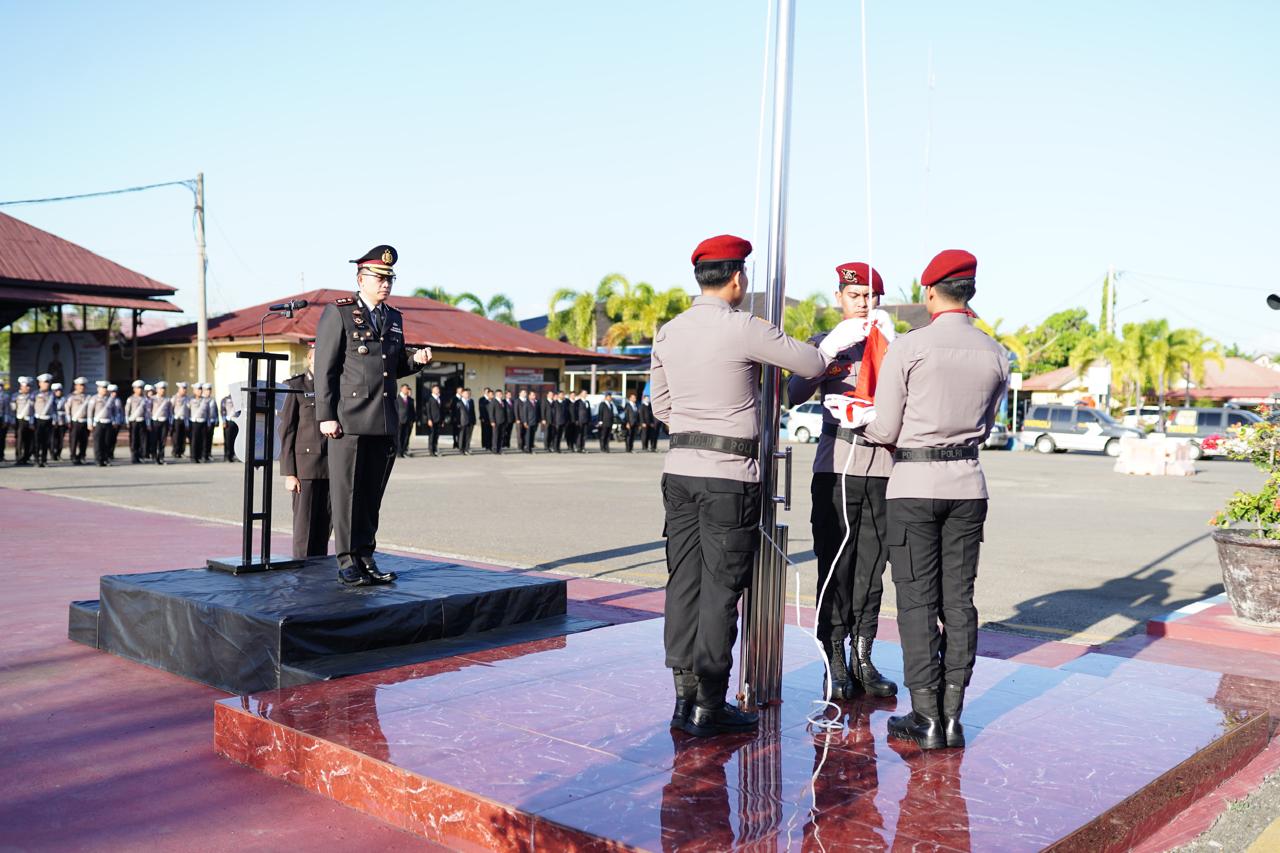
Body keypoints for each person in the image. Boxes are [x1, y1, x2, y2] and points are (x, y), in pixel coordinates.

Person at [649, 234, 863, 738]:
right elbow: (811, 365)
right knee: (722, 587)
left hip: (679, 470)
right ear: (738, 278)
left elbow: (661, 408)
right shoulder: (744, 327)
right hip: (729, 475)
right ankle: (708, 703)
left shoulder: (669, 332)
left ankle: (683, 697)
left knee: (683, 580)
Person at [853, 249, 1009, 750]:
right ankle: (953, 716)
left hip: (914, 485)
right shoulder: (996, 352)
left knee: (917, 600)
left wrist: (858, 419)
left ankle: (925, 716)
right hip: (967, 482)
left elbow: (886, 427)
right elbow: (986, 424)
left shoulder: (911, 347)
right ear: (971, 292)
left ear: (929, 293)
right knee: (959, 601)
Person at [788, 262, 899, 702]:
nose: (863, 303)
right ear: (840, 297)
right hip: (835, 466)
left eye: (870, 296)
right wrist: (828, 352)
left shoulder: (894, 344)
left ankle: (863, 655)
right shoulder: (824, 345)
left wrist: (890, 346)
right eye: (855, 296)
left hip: (884, 469)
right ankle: (833, 655)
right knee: (836, 565)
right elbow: (792, 394)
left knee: (872, 568)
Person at [314, 243, 432, 587]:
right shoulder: (339, 313)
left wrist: (415, 361)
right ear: (360, 277)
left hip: (383, 420)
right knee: (348, 493)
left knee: (371, 493)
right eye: (379, 278)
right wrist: (326, 414)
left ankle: (366, 556)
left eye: (389, 279)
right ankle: (347, 560)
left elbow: (391, 367)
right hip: (348, 420)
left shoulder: (393, 317)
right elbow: (326, 369)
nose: (385, 284)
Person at [279, 343, 332, 559]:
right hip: (305, 467)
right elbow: (287, 430)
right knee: (304, 524)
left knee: (325, 522)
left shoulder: (334, 385)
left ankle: (319, 566)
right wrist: (289, 472)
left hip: (331, 465)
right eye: (317, 357)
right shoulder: (296, 386)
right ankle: (301, 567)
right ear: (309, 359)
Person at [87, 380, 116, 466]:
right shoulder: (94, 398)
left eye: (106, 388)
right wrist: (90, 423)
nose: (105, 390)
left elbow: (113, 412)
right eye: (103, 388)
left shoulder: (110, 399)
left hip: (108, 423)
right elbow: (90, 412)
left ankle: (106, 459)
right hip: (98, 423)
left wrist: (114, 421)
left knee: (107, 442)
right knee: (98, 442)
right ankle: (98, 460)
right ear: (98, 389)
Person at [32, 374, 58, 467]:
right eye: (45, 382)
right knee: (37, 441)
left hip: (48, 420)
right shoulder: (35, 394)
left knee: (46, 441)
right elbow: (31, 408)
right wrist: (31, 421)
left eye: (48, 382)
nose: (47, 384)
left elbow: (55, 408)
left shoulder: (52, 395)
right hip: (38, 420)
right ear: (40, 383)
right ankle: (36, 460)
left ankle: (44, 460)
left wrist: (55, 420)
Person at [66, 378, 91, 465]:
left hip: (85, 422)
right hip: (75, 421)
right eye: (80, 385)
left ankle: (82, 456)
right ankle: (73, 456)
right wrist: (68, 421)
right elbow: (67, 409)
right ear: (76, 386)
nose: (82, 387)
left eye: (83, 385)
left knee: (84, 440)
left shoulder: (88, 397)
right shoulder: (71, 397)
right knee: (74, 440)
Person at [124, 380, 150, 464]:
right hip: (133, 421)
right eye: (138, 388)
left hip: (142, 421)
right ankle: (134, 456)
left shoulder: (145, 399)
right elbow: (127, 411)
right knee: (134, 439)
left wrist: (148, 423)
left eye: (141, 388)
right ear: (134, 389)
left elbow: (147, 412)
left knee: (142, 439)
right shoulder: (130, 399)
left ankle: (140, 456)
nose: (140, 390)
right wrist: (127, 422)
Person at [13, 377, 36, 465]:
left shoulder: (33, 396)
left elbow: (34, 409)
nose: (28, 388)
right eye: (26, 386)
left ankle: (26, 458)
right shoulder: (15, 396)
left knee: (29, 440)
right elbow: (12, 409)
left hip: (29, 420)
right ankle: (18, 458)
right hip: (19, 420)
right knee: (19, 440)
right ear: (21, 386)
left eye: (29, 386)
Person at [151, 381, 173, 464]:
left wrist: (170, 423)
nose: (162, 390)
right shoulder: (152, 399)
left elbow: (170, 412)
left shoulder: (167, 400)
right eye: (161, 388)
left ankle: (161, 457)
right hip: (155, 421)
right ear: (157, 389)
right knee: (155, 440)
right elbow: (148, 411)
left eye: (164, 388)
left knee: (163, 440)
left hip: (164, 421)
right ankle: (154, 456)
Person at [396, 383, 416, 458]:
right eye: (405, 388)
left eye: (407, 389)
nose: (406, 390)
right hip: (400, 421)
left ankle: (403, 451)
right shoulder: (397, 399)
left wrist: (413, 420)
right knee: (399, 437)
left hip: (408, 421)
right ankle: (399, 452)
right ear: (401, 389)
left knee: (406, 437)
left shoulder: (410, 399)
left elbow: (412, 411)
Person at [171, 382, 191, 459]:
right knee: (176, 436)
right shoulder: (174, 398)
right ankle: (175, 451)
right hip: (177, 419)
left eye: (185, 389)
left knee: (183, 437)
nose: (184, 390)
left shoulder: (187, 398)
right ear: (179, 389)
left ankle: (181, 452)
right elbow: (171, 409)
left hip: (185, 419)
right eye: (183, 389)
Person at [220, 389, 241, 463]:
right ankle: (227, 456)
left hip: (236, 421)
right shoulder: (225, 399)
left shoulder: (239, 399)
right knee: (228, 440)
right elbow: (223, 411)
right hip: (228, 421)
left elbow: (240, 411)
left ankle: (234, 455)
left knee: (236, 440)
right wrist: (224, 421)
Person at [424, 384, 443, 457]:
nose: (437, 390)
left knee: (436, 436)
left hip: (438, 420)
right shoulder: (430, 398)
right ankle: (431, 450)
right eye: (436, 389)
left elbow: (442, 410)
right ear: (432, 390)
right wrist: (429, 419)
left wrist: (442, 420)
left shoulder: (439, 398)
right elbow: (428, 410)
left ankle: (435, 449)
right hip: (432, 420)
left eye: (438, 389)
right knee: (431, 435)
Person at [456, 387, 476, 454]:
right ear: (462, 394)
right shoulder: (459, 403)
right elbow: (457, 414)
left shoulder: (470, 402)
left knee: (468, 436)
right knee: (462, 436)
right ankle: (461, 449)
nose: (467, 395)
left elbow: (473, 412)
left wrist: (474, 421)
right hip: (462, 422)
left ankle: (467, 449)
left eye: (467, 393)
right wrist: (458, 422)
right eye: (465, 393)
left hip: (470, 422)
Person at [489, 386, 508, 454]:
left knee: (501, 436)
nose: (500, 395)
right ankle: (494, 449)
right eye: (499, 394)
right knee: (495, 436)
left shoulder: (503, 402)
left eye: (501, 394)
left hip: (503, 421)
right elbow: (491, 412)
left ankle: (499, 449)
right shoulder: (493, 401)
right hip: (496, 422)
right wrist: (492, 421)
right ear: (496, 394)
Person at [107, 384, 124, 461]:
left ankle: (111, 453)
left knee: (114, 439)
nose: (114, 393)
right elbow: (109, 413)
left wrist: (120, 421)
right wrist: (113, 421)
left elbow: (120, 411)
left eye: (115, 392)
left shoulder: (118, 400)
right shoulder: (107, 400)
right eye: (112, 392)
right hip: (110, 423)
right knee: (108, 439)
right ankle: (106, 453)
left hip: (117, 423)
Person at [50, 382, 66, 461]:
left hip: (62, 422)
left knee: (60, 439)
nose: (58, 392)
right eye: (56, 390)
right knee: (53, 439)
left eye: (60, 390)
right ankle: (53, 454)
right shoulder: (50, 399)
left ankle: (58, 454)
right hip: (53, 422)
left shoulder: (64, 399)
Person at [0, 380, 12, 462]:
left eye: (1, 385)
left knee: (1, 438)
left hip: (1, 419)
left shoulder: (5, 396)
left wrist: (6, 421)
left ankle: (1, 455)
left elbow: (7, 410)